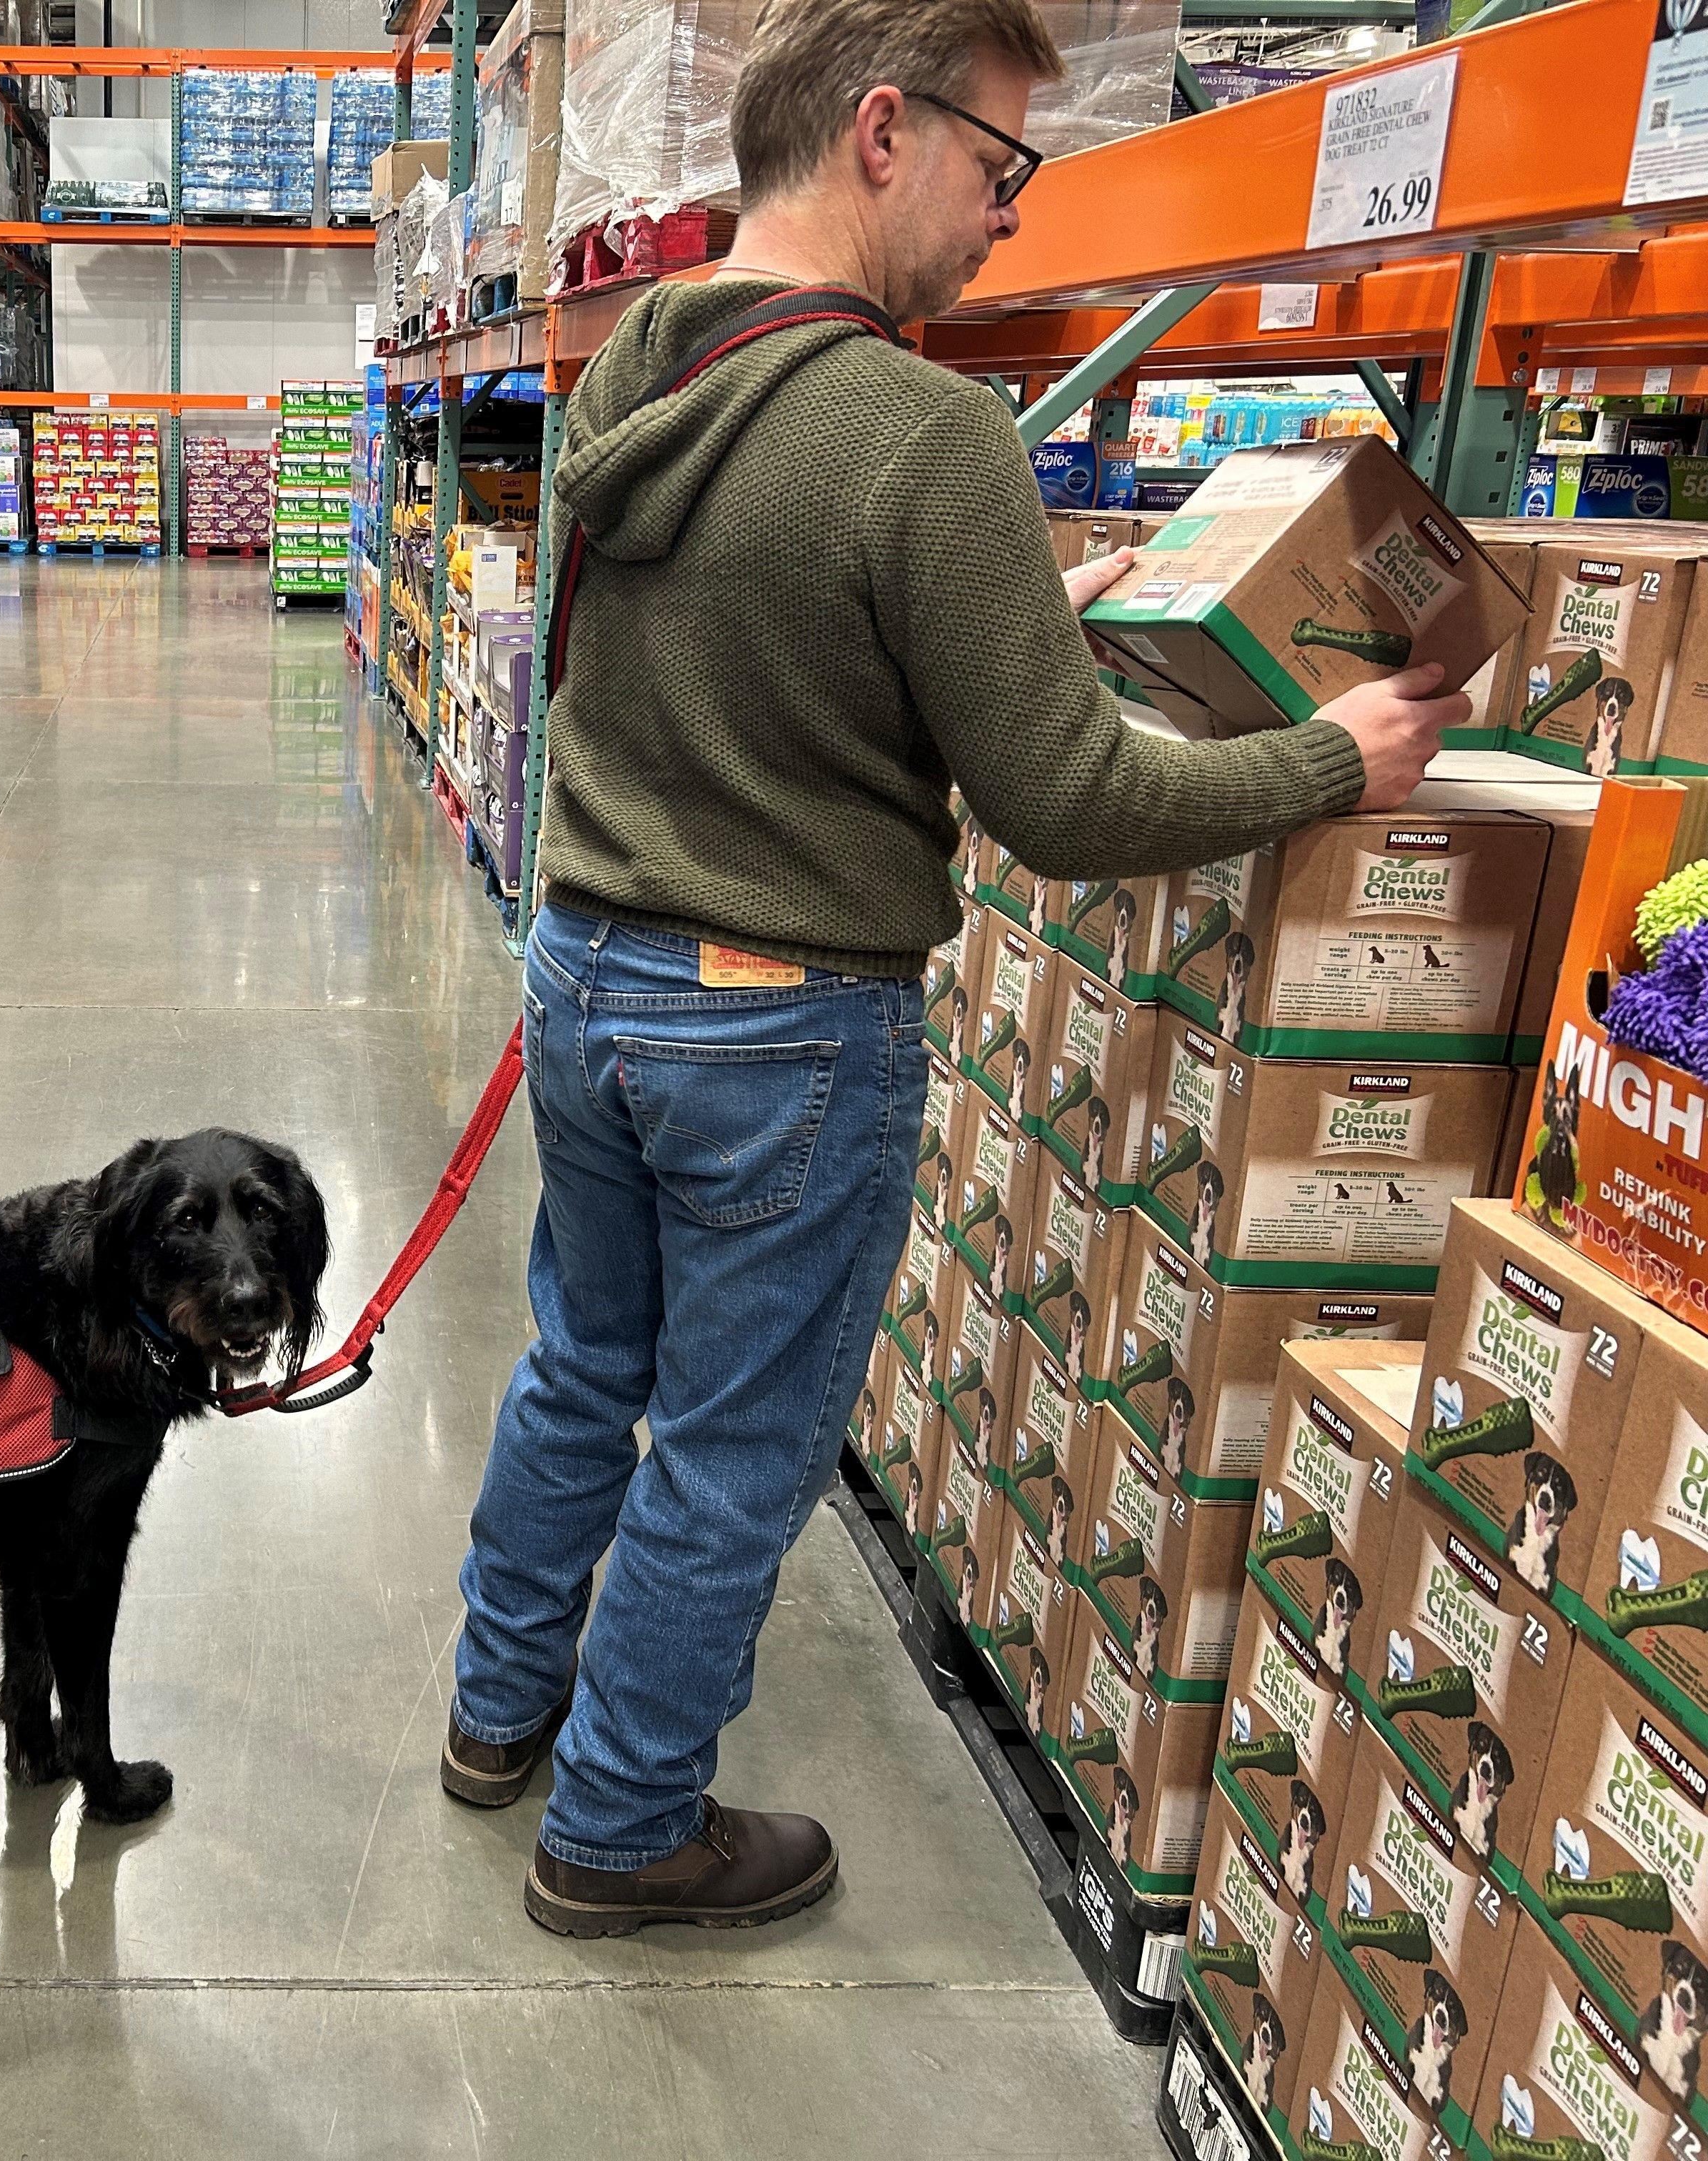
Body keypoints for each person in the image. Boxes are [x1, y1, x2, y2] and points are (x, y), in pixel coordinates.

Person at [442, 0, 1467, 1939]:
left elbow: (748, 623)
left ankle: (500, 1722)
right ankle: (621, 1823)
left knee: (584, 1368)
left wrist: (1012, 610)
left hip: (588, 977)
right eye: (1006, 166)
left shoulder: (644, 360)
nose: (1012, 214)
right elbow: (1070, 800)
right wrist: (1342, 761)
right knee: (736, 1449)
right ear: (886, 135)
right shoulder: (923, 429)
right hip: (780, 1032)